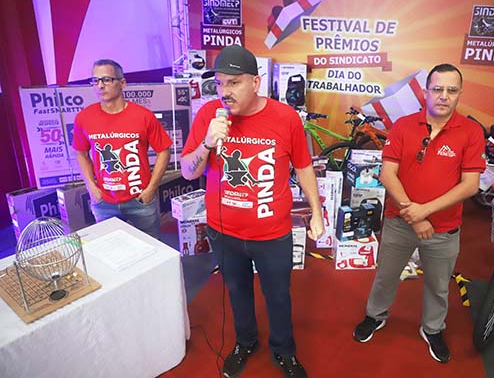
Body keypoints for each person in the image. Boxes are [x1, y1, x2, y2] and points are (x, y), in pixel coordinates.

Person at [180, 45, 324, 378]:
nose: (224, 91)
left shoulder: (285, 117)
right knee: (237, 292)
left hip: (272, 233)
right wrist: (207, 143)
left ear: (255, 83)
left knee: (278, 296)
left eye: (234, 83)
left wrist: (316, 212)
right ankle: (245, 342)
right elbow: (188, 171)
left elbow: (304, 167)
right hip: (224, 232)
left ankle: (284, 351)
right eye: (219, 83)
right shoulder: (209, 115)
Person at [352, 64, 485, 363]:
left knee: (438, 286)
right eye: (437, 89)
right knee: (386, 276)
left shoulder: (471, 131)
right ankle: (375, 315)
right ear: (426, 92)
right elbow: (387, 174)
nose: (443, 96)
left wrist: (425, 211)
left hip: (444, 228)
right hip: (400, 222)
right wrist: (415, 216)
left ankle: (433, 328)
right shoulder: (403, 126)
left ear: (460, 94)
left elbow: (470, 185)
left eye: (451, 90)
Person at [72, 59, 172, 239]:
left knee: (151, 246)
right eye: (95, 80)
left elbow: (164, 151)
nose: (100, 86)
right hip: (104, 201)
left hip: (140, 199)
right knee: (110, 248)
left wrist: (151, 188)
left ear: (122, 83)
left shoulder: (143, 116)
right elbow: (81, 153)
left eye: (106, 80)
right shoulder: (84, 118)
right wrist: (91, 187)